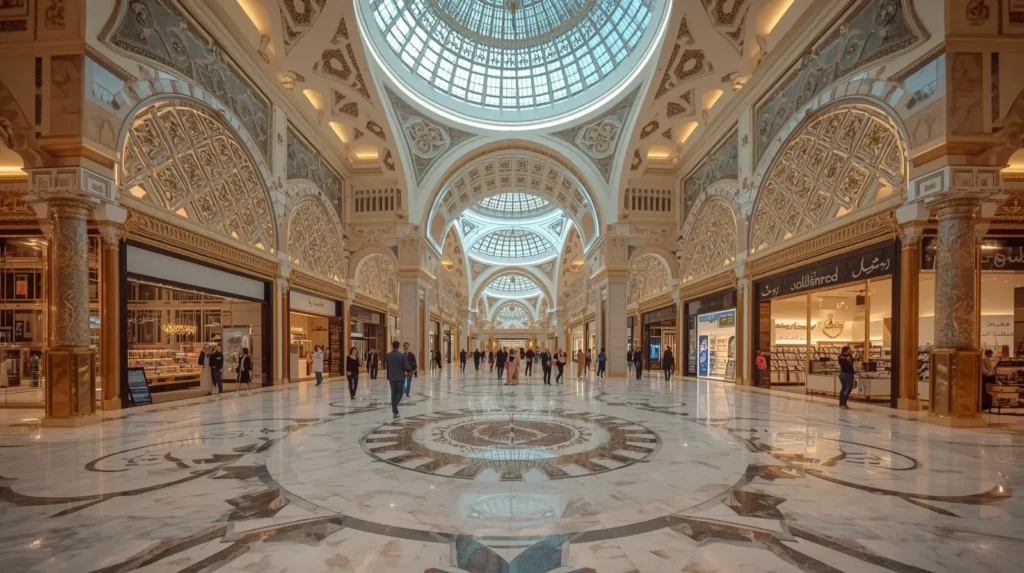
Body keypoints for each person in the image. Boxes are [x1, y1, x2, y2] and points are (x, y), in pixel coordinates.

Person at [385, 341, 409, 418]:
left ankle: (394, 409)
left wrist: (388, 375)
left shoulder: (388, 355)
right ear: (398, 346)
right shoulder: (401, 356)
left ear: (392, 346)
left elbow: (388, 367)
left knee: (393, 393)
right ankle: (394, 405)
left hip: (392, 377)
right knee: (400, 392)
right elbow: (406, 366)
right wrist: (410, 369)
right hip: (400, 377)